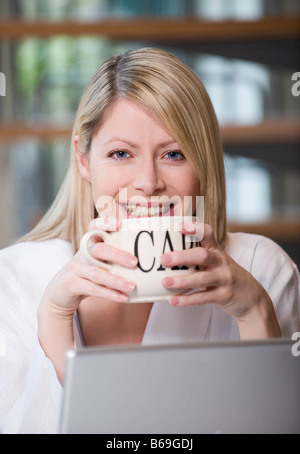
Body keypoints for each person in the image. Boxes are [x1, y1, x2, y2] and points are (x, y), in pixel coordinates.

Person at [0, 47, 299, 434]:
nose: (147, 182)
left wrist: (256, 312)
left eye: (174, 154)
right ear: (84, 159)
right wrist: (55, 326)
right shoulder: (14, 281)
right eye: (121, 153)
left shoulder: (259, 266)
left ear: (203, 164)